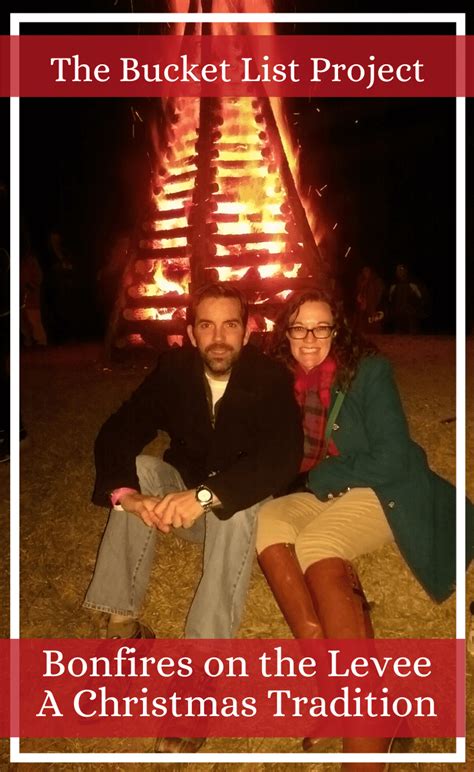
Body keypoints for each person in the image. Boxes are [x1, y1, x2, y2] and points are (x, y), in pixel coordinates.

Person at [256, 287, 473, 768]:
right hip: (322, 488)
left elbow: (394, 457)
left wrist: (316, 476)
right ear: (284, 334)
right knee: (268, 523)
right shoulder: (282, 380)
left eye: (322, 327)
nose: (310, 338)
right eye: (299, 328)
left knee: (318, 542)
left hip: (383, 485)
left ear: (339, 331)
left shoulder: (369, 372)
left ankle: (366, 738)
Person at [83, 282, 303, 751]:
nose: (219, 337)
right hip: (180, 504)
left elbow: (282, 457)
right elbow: (118, 431)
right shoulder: (174, 370)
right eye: (207, 325)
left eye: (230, 325)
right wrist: (127, 496)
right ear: (190, 331)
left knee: (236, 508)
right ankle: (124, 627)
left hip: (240, 512)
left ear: (247, 333)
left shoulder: (270, 378)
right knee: (139, 470)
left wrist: (206, 495)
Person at [387, 263, 424, 334]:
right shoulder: (394, 285)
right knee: (398, 321)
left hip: (409, 310)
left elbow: (420, 298)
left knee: (411, 322)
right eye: (398, 270)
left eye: (401, 270)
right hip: (398, 310)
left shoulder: (412, 283)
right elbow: (390, 299)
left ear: (405, 271)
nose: (399, 272)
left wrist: (415, 297)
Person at [353, 265, 385, 333]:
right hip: (363, 304)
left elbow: (379, 292)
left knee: (373, 320)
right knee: (362, 319)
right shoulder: (361, 281)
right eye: (364, 271)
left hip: (372, 305)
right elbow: (358, 291)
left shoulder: (376, 281)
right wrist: (359, 296)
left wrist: (376, 303)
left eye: (367, 270)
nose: (365, 273)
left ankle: (375, 332)